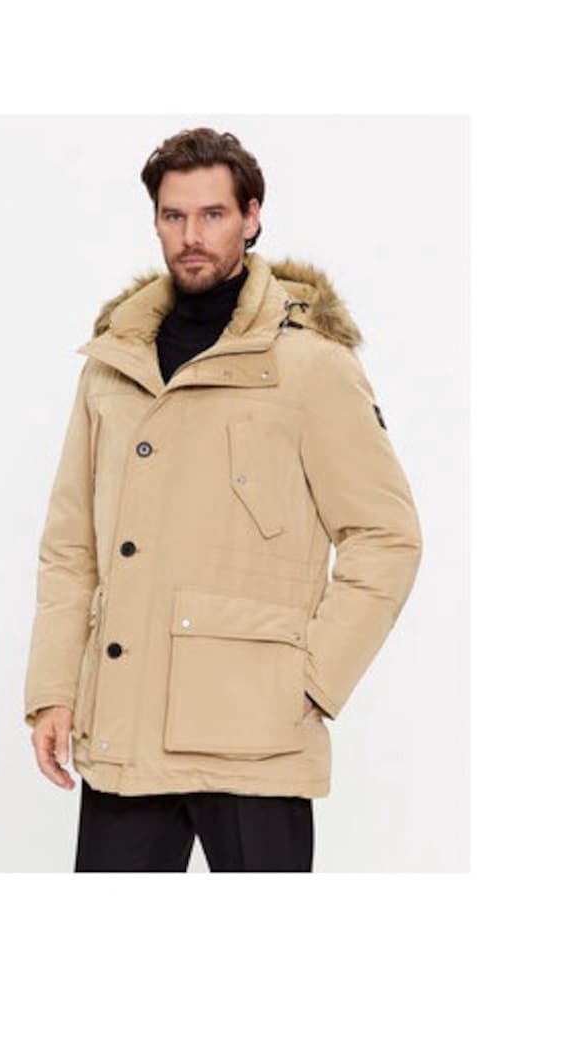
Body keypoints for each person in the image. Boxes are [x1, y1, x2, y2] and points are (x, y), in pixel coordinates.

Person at [22, 126, 423, 872]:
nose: (192, 237)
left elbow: (385, 535)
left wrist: (314, 680)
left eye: (212, 214)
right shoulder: (113, 364)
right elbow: (71, 546)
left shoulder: (312, 364)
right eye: (174, 216)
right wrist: (52, 690)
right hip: (125, 733)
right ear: (155, 221)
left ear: (252, 217)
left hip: (255, 736)